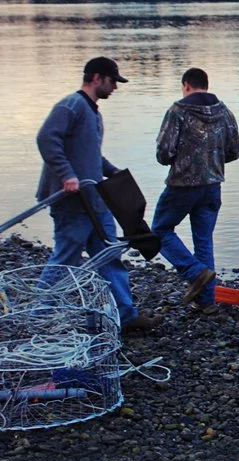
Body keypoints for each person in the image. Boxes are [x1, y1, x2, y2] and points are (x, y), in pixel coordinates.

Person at [36, 57, 162, 333]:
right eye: (112, 81)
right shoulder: (71, 105)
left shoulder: (93, 112)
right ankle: (38, 314)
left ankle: (126, 315)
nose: (115, 87)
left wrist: (112, 171)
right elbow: (47, 139)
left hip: (95, 201)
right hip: (72, 202)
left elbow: (90, 155)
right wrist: (67, 175)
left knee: (110, 255)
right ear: (97, 78)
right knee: (66, 258)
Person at [151, 67, 239, 315]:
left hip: (182, 185)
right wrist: (212, 161)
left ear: (186, 85)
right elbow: (234, 150)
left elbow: (163, 153)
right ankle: (207, 300)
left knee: (159, 230)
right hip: (213, 186)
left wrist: (183, 160)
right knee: (204, 240)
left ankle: (194, 272)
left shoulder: (177, 111)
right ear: (206, 84)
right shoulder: (224, 112)